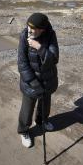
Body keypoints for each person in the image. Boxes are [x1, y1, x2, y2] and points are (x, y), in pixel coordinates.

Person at [17, 12, 59, 148]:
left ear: (42, 29)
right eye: (28, 26)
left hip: (47, 81)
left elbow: (54, 59)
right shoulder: (24, 36)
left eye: (33, 28)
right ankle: (24, 130)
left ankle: (42, 122)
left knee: (45, 105)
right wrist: (34, 83)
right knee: (27, 109)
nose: (29, 30)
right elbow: (22, 64)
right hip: (31, 83)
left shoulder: (51, 35)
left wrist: (39, 47)